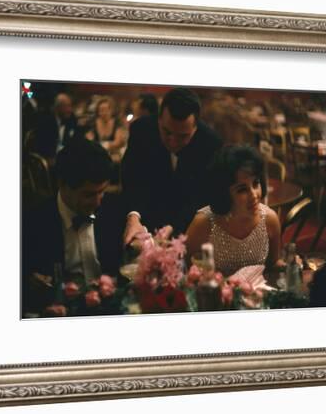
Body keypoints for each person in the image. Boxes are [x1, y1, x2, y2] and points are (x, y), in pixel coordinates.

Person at [22, 138, 125, 316]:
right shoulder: (32, 222)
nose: (98, 201)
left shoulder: (114, 210)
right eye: (89, 194)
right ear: (62, 185)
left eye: (102, 191)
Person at [121, 87, 222, 242]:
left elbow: (203, 195)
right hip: (145, 221)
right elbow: (131, 179)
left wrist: (175, 227)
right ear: (159, 119)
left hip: (190, 226)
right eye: (167, 132)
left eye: (183, 136)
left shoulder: (211, 143)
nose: (173, 142)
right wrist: (134, 216)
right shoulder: (141, 130)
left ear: (195, 127)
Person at [185, 145, 282, 283]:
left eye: (256, 183)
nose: (254, 195)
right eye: (242, 189)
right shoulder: (203, 223)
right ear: (224, 193)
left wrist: (292, 266)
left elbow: (273, 265)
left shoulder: (270, 220)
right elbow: (188, 272)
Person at [32, 92, 85, 165]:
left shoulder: (71, 118)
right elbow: (40, 144)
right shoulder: (45, 121)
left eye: (70, 106)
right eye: (67, 106)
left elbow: (75, 138)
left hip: (66, 157)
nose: (70, 110)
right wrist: (50, 158)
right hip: (48, 158)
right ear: (58, 107)